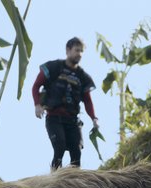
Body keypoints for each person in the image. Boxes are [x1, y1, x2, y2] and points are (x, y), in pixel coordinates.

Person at [32, 37, 100, 171]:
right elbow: (35, 87)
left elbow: (87, 100)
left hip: (73, 121)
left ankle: (74, 182)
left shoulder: (82, 77)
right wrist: (37, 105)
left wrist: (94, 118)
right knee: (60, 147)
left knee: (77, 151)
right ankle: (55, 179)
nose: (79, 54)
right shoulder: (54, 67)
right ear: (68, 50)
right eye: (76, 50)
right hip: (54, 118)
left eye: (81, 51)